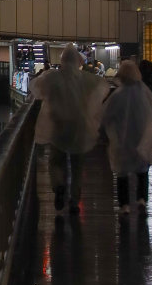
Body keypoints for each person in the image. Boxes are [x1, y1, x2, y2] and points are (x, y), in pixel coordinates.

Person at [30, 44, 106, 215]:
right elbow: (102, 88)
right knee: (77, 165)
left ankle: (59, 187)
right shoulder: (86, 79)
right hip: (79, 127)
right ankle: (74, 200)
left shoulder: (53, 77)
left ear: (62, 59)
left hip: (59, 126)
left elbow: (36, 88)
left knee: (56, 161)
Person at [101, 58, 152, 215]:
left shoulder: (118, 95)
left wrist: (105, 133)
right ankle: (141, 199)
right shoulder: (144, 93)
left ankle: (124, 205)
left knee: (122, 172)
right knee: (142, 169)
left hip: (122, 140)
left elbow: (106, 115)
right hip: (141, 137)